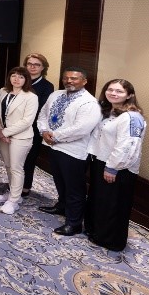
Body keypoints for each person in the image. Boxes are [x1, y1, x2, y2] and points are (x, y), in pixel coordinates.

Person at [37, 67, 102, 236]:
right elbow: (43, 114)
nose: (69, 81)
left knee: (74, 188)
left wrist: (55, 136)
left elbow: (81, 129)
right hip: (53, 146)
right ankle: (62, 206)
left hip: (74, 151)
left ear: (84, 81)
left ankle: (74, 223)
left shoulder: (89, 103)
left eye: (74, 78)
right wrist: (43, 131)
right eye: (66, 78)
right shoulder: (55, 95)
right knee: (60, 181)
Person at [85, 79, 146, 251]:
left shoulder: (132, 117)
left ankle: (112, 241)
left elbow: (128, 146)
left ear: (129, 95)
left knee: (114, 204)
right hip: (101, 161)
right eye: (110, 89)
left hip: (118, 168)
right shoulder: (109, 111)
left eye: (119, 91)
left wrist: (113, 167)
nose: (113, 93)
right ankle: (97, 232)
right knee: (101, 200)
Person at [0, 67, 39, 214]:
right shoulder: (3, 91)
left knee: (16, 168)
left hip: (21, 137)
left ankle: (14, 201)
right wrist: (0, 130)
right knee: (8, 166)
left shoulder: (31, 97)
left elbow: (27, 121)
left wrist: (5, 132)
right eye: (13, 76)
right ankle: (13, 193)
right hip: (3, 135)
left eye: (21, 77)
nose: (16, 79)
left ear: (26, 79)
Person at [22, 53, 55, 197]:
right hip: (14, 126)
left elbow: (42, 109)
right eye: (29, 64)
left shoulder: (47, 86)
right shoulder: (19, 80)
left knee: (29, 159)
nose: (32, 67)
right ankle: (14, 185)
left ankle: (25, 187)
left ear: (43, 67)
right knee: (14, 159)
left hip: (33, 127)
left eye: (37, 65)